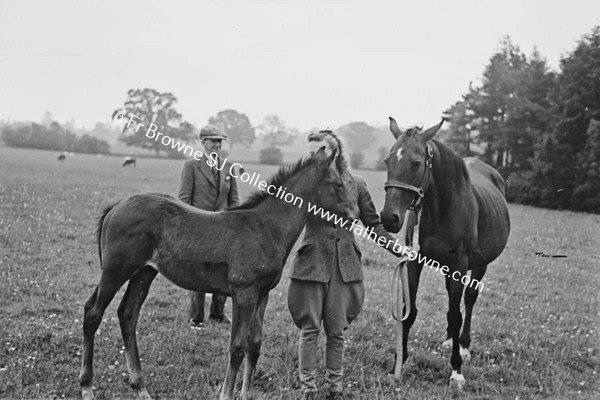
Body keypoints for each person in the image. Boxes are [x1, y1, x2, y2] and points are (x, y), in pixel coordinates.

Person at [287, 129, 401, 400]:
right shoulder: (306, 183)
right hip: (311, 263)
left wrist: (397, 249)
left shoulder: (357, 184)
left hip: (345, 267)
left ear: (335, 152)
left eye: (321, 151)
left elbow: (373, 225)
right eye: (311, 152)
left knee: (336, 331)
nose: (315, 156)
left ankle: (335, 388)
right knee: (310, 329)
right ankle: (308, 389)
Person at [178, 124, 240, 329]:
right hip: (199, 228)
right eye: (213, 140)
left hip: (223, 230)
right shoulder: (191, 166)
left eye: (219, 141)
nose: (216, 145)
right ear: (203, 142)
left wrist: (236, 226)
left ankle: (217, 314)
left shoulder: (229, 167)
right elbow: (184, 200)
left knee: (223, 271)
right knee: (199, 271)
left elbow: (234, 202)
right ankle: (196, 317)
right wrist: (187, 228)